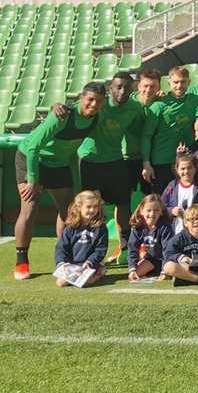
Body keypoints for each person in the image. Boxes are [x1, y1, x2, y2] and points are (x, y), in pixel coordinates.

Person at [13, 82, 104, 280]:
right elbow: (33, 148)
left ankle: (64, 257)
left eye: (98, 101)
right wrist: (33, 180)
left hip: (59, 164)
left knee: (70, 212)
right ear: (80, 98)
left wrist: (78, 188)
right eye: (90, 100)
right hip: (32, 160)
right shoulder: (62, 115)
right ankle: (21, 262)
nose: (93, 104)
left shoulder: (95, 119)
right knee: (29, 210)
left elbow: (71, 153)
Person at [75, 72, 144, 260]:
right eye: (118, 87)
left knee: (123, 203)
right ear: (110, 89)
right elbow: (75, 108)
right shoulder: (98, 104)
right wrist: (56, 106)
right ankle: (86, 248)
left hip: (115, 160)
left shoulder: (135, 108)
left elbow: (141, 131)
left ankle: (126, 248)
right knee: (89, 206)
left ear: (133, 89)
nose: (122, 91)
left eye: (126, 87)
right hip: (89, 161)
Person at [53, 191, 109, 288]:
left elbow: (100, 250)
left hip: (90, 264)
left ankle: (100, 272)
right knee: (61, 283)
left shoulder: (101, 228)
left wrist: (90, 262)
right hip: (72, 266)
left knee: (86, 282)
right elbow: (61, 248)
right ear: (79, 207)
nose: (92, 210)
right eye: (88, 207)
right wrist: (62, 264)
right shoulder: (70, 228)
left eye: (95, 206)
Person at [127, 194, 172, 281]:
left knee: (170, 269)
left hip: (166, 259)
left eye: (156, 210)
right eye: (148, 210)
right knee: (135, 273)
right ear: (141, 210)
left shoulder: (165, 227)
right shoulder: (138, 227)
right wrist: (132, 268)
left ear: (161, 211)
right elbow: (132, 247)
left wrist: (164, 270)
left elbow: (168, 250)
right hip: (151, 260)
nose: (152, 214)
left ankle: (163, 270)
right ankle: (155, 270)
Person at [163, 155, 198, 234]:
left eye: (189, 168)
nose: (186, 171)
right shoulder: (172, 186)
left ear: (195, 169)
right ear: (177, 170)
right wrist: (171, 211)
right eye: (182, 169)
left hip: (195, 230)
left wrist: (191, 214)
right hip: (175, 230)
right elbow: (162, 205)